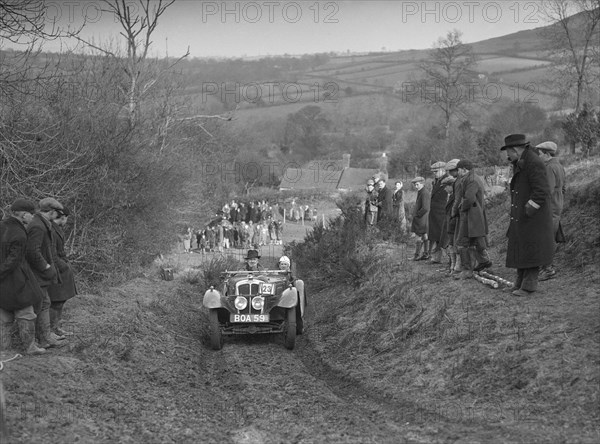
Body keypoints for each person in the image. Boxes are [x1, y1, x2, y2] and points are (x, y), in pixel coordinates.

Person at [502, 134, 554, 297]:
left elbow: (542, 190)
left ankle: (529, 286)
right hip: (523, 216)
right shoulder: (523, 162)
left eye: (508, 152)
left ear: (516, 150)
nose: (507, 156)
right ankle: (519, 283)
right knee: (522, 249)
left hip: (533, 218)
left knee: (531, 250)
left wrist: (528, 209)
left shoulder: (533, 162)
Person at [0, 199, 46, 355]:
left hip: (2, 282)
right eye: (31, 214)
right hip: (15, 279)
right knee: (26, 313)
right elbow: (13, 261)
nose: (32, 218)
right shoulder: (20, 233)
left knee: (3, 316)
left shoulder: (2, 226)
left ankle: (4, 351)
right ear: (24, 215)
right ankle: (30, 347)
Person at [26, 197, 64, 348]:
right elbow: (32, 252)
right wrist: (46, 267)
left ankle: (45, 337)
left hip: (39, 274)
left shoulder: (41, 223)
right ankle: (42, 339)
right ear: (53, 212)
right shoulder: (38, 226)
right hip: (37, 274)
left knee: (45, 302)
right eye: (57, 213)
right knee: (40, 304)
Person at [453, 160, 491, 280]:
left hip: (471, 215)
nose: (457, 172)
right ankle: (484, 261)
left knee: (462, 243)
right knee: (475, 241)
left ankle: (467, 270)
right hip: (473, 215)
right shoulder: (471, 178)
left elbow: (469, 199)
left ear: (464, 169)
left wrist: (461, 208)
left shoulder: (472, 180)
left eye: (458, 170)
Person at [535, 141, 566, 281]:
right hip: (557, 204)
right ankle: (546, 266)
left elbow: (546, 191)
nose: (538, 156)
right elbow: (563, 188)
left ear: (547, 154)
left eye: (540, 154)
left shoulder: (549, 168)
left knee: (546, 238)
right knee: (549, 236)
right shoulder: (559, 166)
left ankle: (547, 269)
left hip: (549, 206)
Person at [48, 206, 77, 337]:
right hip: (56, 270)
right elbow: (52, 254)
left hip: (60, 268)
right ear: (63, 217)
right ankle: (51, 329)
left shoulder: (56, 229)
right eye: (66, 218)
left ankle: (55, 327)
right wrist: (64, 266)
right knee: (56, 300)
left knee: (60, 300)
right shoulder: (51, 230)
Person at [427, 161, 448, 263]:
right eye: (433, 172)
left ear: (443, 170)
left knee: (444, 237)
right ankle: (436, 258)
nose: (434, 173)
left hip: (442, 212)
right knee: (435, 236)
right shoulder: (436, 181)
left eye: (436, 171)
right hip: (435, 212)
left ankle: (449, 260)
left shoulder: (447, 180)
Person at [410, 177, 430, 260]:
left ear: (422, 183)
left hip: (421, 218)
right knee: (425, 235)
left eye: (417, 184)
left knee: (418, 236)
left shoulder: (424, 192)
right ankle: (426, 254)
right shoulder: (421, 191)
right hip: (423, 218)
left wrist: (417, 215)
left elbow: (425, 208)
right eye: (415, 184)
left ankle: (416, 255)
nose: (416, 186)